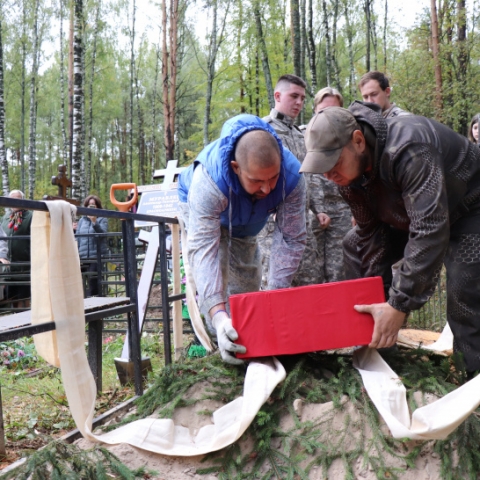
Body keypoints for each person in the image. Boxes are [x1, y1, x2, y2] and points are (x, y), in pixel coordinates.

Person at [300, 101, 480, 377]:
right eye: (321, 167)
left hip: (470, 206)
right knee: (354, 246)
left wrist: (399, 303)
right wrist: (378, 293)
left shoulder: (410, 148)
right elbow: (370, 232)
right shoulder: (349, 176)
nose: (328, 175)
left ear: (358, 141)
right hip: (412, 211)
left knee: (463, 291)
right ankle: (379, 355)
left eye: (333, 163)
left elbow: (430, 229)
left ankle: (473, 385)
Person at [178, 114, 307, 364]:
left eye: (272, 178)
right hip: (207, 211)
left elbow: (291, 239)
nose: (267, 188)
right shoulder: (207, 182)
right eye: (257, 180)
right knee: (218, 280)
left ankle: (249, 342)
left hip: (249, 218)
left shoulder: (292, 177)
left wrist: (274, 299)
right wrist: (218, 314)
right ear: (237, 168)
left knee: (246, 280)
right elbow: (205, 250)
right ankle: (216, 344)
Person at [260, 74, 321, 287]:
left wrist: (318, 209)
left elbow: (309, 176)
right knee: (274, 285)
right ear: (277, 95)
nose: (299, 103)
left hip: (303, 221)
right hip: (273, 224)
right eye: (294, 96)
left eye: (303, 98)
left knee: (309, 283)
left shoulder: (300, 134)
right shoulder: (262, 131)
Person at [310, 87, 352, 282]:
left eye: (333, 111)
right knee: (312, 276)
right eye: (322, 111)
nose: (327, 117)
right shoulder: (302, 136)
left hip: (342, 211)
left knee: (338, 274)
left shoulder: (351, 138)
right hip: (310, 213)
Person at [1, 190, 32, 307]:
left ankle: (25, 324)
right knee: (11, 299)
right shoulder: (5, 219)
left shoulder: (30, 217)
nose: (14, 201)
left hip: (25, 267)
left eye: (17, 199)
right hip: (9, 268)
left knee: (23, 300)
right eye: (11, 199)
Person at [74, 195, 108, 296]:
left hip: (95, 257)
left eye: (93, 205)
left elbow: (103, 235)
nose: (91, 207)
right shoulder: (82, 220)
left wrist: (94, 222)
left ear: (98, 207)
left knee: (93, 281)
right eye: (89, 205)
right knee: (79, 282)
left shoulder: (102, 219)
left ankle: (94, 304)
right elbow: (78, 237)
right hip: (82, 256)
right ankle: (83, 303)